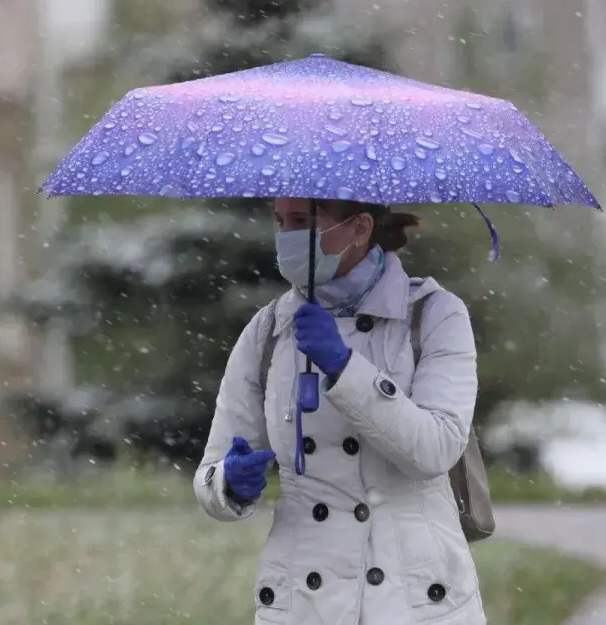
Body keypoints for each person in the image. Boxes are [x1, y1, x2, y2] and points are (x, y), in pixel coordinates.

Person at [194, 197, 485, 625]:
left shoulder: (434, 314)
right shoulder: (269, 329)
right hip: (303, 601)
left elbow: (436, 450)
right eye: (279, 222)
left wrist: (344, 366)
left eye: (302, 222)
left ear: (360, 227)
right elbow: (209, 474)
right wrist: (230, 485)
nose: (286, 237)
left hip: (415, 601)